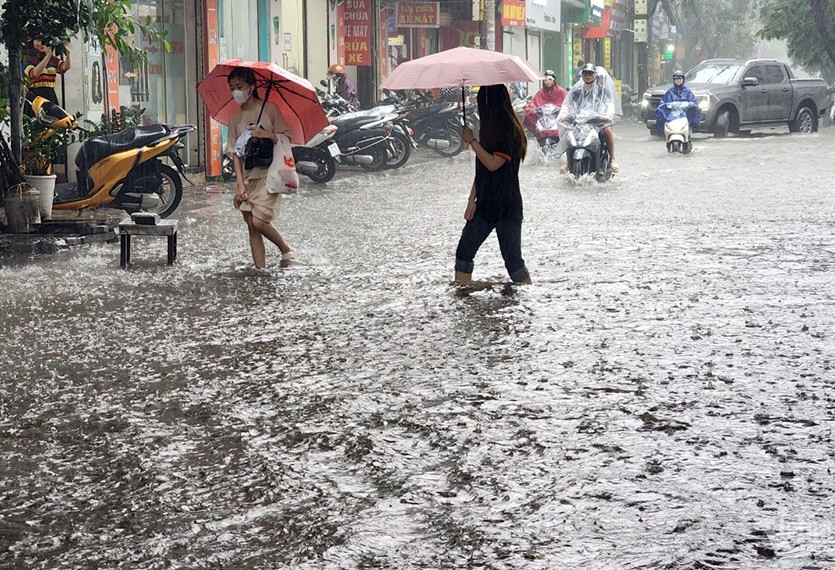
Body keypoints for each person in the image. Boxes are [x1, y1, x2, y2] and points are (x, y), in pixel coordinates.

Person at [456, 84, 531, 285]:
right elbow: (481, 170)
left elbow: (492, 164)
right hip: (486, 203)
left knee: (513, 262)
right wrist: (471, 200)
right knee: (464, 251)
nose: (478, 108)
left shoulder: (508, 131)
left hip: (506, 205)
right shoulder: (489, 130)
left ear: (491, 104)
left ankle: (528, 298)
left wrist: (472, 141)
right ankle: (462, 299)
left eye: (480, 103)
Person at [225, 66, 297, 269]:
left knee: (258, 221)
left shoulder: (270, 109)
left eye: (239, 86)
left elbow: (286, 137)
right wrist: (240, 185)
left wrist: (267, 135)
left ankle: (286, 250)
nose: (235, 92)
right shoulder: (234, 118)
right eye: (232, 88)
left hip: (269, 175)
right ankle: (260, 269)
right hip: (247, 177)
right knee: (251, 226)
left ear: (251, 86)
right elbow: (235, 155)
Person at [557, 63, 622, 173]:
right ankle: (568, 161)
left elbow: (609, 104)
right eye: (585, 73)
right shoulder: (576, 91)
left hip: (597, 121)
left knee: (607, 129)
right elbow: (568, 105)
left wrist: (607, 115)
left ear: (595, 75)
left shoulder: (603, 91)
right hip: (581, 121)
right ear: (581, 75)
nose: (588, 76)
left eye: (590, 74)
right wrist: (564, 115)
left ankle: (612, 159)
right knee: (569, 132)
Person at [23, 39, 71, 109]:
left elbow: (65, 67)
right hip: (35, 95)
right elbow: (35, 73)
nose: (42, 44)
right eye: (38, 41)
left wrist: (68, 54)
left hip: (50, 95)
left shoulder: (52, 60)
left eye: (45, 41)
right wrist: (48, 55)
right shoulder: (27, 59)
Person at [655, 70, 700, 136]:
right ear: (674, 80)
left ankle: (688, 141)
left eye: (680, 79)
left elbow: (694, 102)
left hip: (685, 117)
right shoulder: (670, 92)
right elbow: (663, 103)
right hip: (672, 117)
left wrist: (688, 105)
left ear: (683, 80)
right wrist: (669, 106)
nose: (678, 81)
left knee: (688, 133)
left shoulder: (687, 91)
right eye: (676, 79)